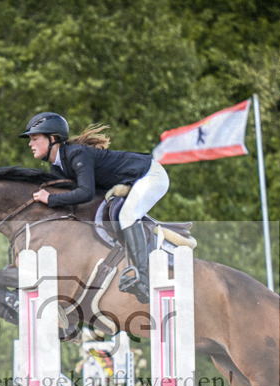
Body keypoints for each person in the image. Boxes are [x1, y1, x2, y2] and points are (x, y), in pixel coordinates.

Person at [20, 111, 170, 304]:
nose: (30, 144)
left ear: (53, 139)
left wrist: (51, 199)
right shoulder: (57, 168)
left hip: (150, 175)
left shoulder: (76, 154)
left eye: (34, 138)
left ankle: (141, 276)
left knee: (127, 216)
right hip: (131, 180)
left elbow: (85, 193)